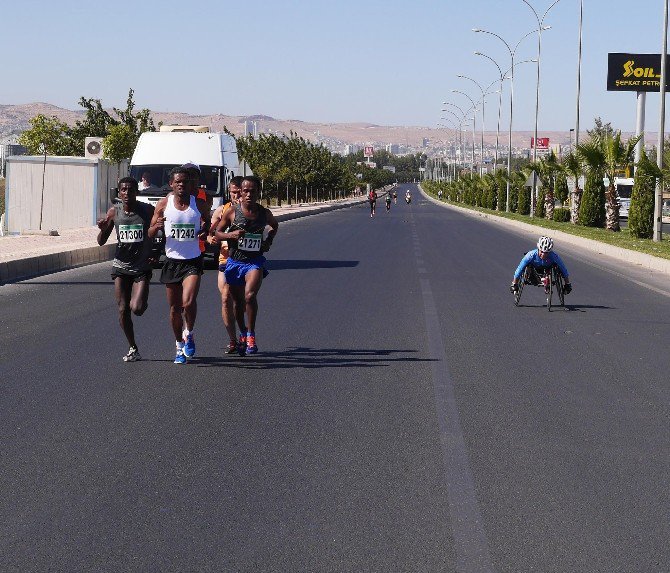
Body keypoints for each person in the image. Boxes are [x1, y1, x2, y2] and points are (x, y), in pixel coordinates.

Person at [149, 166, 210, 364]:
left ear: (190, 184)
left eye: (185, 181)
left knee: (188, 302)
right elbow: (149, 232)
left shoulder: (199, 204)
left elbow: (207, 223)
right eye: (178, 182)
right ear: (171, 184)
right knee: (175, 308)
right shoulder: (163, 204)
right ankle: (178, 345)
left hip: (193, 260)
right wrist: (156, 227)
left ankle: (189, 332)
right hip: (171, 261)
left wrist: (204, 230)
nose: (181, 185)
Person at [215, 175, 278, 355]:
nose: (249, 194)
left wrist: (268, 241)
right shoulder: (232, 212)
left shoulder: (264, 213)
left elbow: (274, 226)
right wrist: (231, 235)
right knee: (238, 303)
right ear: (240, 193)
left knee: (250, 296)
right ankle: (242, 332)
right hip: (235, 262)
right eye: (245, 191)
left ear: (258, 192)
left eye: (253, 191)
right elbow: (218, 233)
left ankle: (251, 335)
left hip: (254, 262)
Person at [96, 177, 154, 362]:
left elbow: (159, 232)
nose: (127, 194)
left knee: (136, 308)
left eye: (130, 190)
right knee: (122, 309)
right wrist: (104, 229)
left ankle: (141, 299)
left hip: (141, 266)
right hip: (121, 266)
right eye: (123, 190)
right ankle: (132, 347)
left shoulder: (147, 210)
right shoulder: (114, 212)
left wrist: (156, 252)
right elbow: (101, 241)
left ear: (136, 192)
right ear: (119, 193)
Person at [208, 176, 246, 353]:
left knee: (241, 302)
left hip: (245, 262)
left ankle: (245, 333)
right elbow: (209, 233)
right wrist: (212, 239)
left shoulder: (250, 211)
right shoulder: (222, 210)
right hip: (225, 261)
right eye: (233, 192)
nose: (236, 195)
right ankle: (233, 339)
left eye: (239, 192)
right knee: (225, 299)